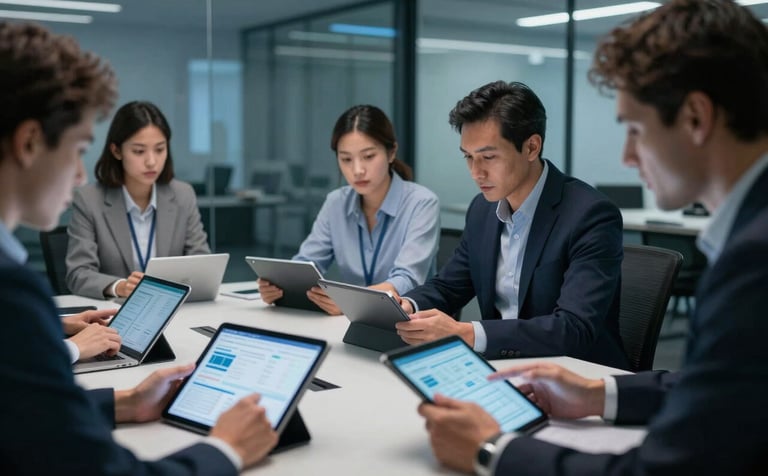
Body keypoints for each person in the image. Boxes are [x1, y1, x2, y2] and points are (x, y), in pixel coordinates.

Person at [417, 1, 768, 475]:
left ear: (696, 118)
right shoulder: (747, 239)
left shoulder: (754, 259)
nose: (626, 156)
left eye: (635, 129)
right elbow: (721, 388)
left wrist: (491, 452)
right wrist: (599, 393)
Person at [0, 21, 278, 473]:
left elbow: (19, 418)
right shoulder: (12, 293)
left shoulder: (15, 292)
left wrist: (127, 403)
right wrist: (226, 449)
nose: (76, 174)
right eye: (76, 149)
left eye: (160, 149)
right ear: (30, 142)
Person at [397, 81, 629, 368]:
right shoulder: (482, 210)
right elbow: (448, 287)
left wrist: (468, 333)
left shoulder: (590, 215)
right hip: (502, 367)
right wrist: (406, 306)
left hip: (577, 375)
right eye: (468, 157)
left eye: (488, 157)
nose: (475, 172)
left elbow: (574, 327)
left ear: (531, 147)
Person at [259, 105, 440, 315]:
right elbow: (305, 264)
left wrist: (349, 302)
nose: (357, 170)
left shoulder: (422, 203)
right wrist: (279, 286)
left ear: (391, 153)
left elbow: (406, 279)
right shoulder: (336, 202)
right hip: (348, 324)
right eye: (346, 159)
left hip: (409, 324)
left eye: (368, 156)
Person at [66, 100, 210, 299]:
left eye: (160, 149)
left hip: (172, 308)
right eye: (139, 151)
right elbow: (78, 273)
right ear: (116, 151)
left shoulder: (183, 195)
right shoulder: (89, 200)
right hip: (115, 314)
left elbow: (201, 262)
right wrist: (120, 286)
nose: (152, 161)